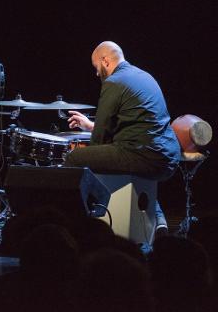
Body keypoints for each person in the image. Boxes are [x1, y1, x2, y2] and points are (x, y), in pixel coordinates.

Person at [64, 41, 181, 234]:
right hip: (168, 156)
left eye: (96, 67)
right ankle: (158, 218)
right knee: (134, 168)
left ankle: (78, 225)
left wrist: (89, 149)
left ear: (105, 60)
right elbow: (135, 123)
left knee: (75, 158)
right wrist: (90, 125)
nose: (96, 73)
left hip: (145, 155)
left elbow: (100, 139)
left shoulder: (114, 82)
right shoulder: (143, 76)